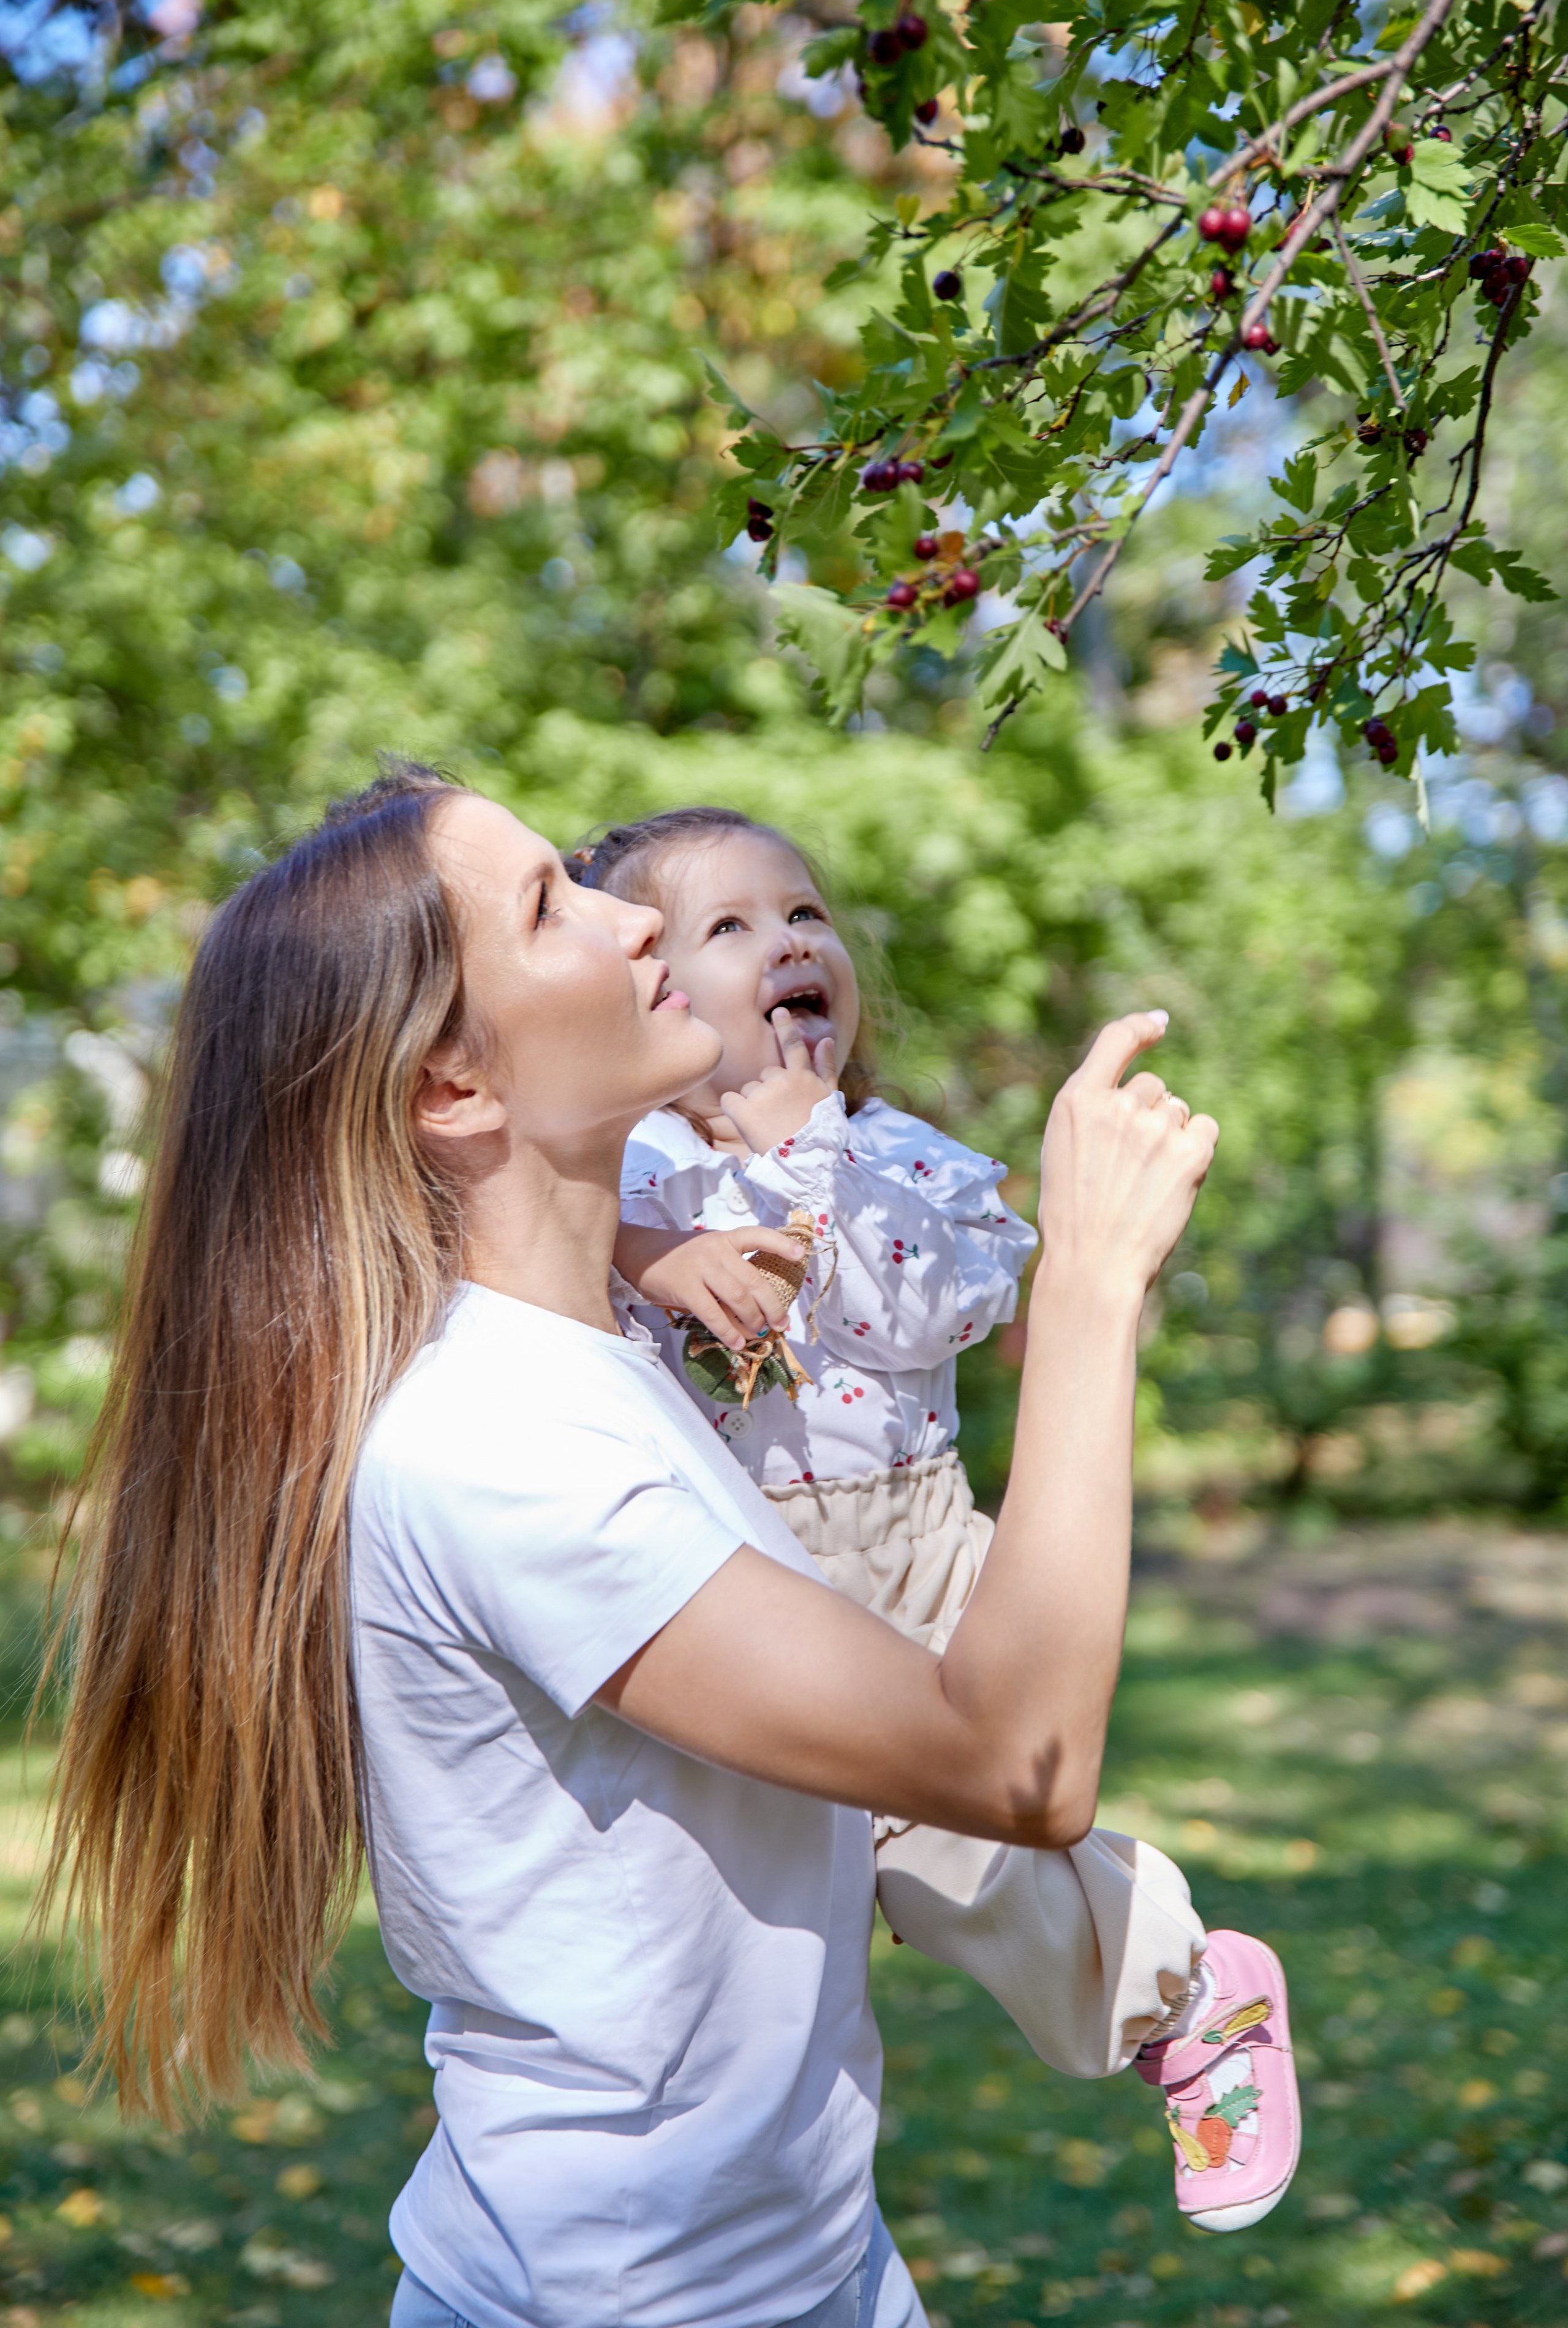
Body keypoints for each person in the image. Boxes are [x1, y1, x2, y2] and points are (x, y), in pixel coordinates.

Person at [41, 764, 1221, 2328]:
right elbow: (1011, 1763)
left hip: (805, 2267)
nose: (625, 915)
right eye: (550, 904)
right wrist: (1089, 1285)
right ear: (453, 1090)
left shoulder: (595, 1362)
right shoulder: (504, 1450)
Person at [570, 808, 1301, 2231]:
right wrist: (652, 1249)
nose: (787, 941)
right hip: (738, 1568)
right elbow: (529, 1245)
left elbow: (938, 1310)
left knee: (945, 1854)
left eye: (804, 915)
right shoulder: (626, 1169)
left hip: (903, 1553)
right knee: (749, 1896)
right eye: (726, 929)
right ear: (644, 990)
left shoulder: (896, 1153)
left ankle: (1183, 1995)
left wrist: (808, 1159)